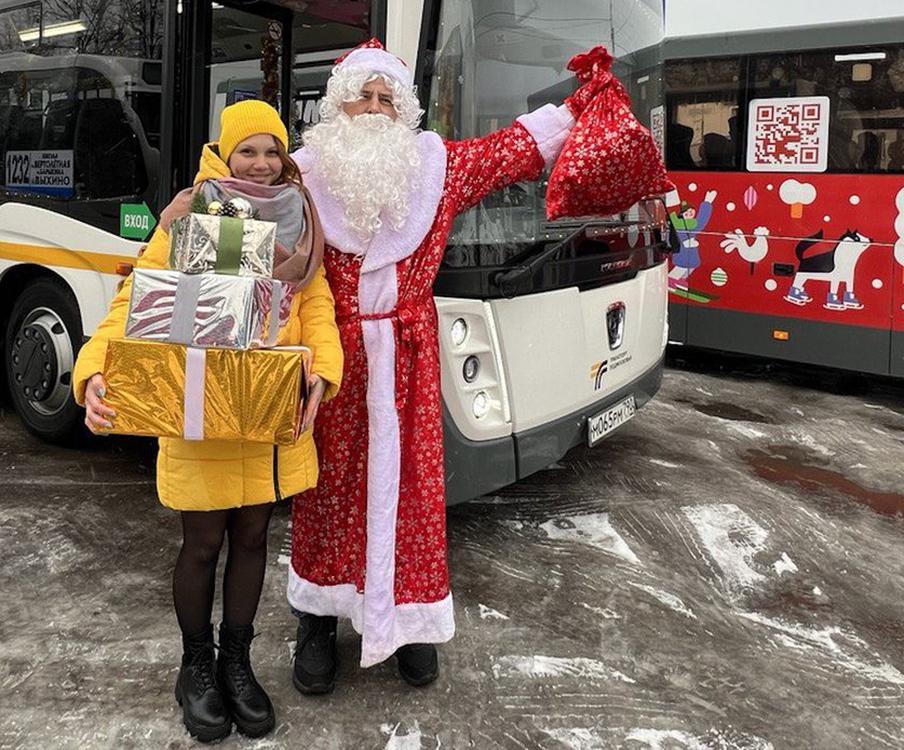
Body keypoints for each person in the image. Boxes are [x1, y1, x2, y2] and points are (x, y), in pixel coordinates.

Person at [288, 38, 599, 692]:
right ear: (338, 105)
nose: (375, 108)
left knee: (414, 493)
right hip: (333, 360)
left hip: (408, 362)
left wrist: (579, 107)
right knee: (326, 487)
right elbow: (238, 196)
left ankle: (412, 623)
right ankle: (317, 617)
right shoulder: (303, 175)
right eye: (363, 96)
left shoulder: (435, 166)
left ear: (404, 112)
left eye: (387, 98)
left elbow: (511, 150)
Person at [73, 101, 343, 743]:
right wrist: (94, 369)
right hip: (200, 406)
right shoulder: (197, 213)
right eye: (247, 150)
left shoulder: (302, 218)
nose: (262, 163)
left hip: (270, 409)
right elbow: (136, 297)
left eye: (272, 151)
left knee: (252, 538)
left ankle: (236, 663)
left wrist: (323, 371)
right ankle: (196, 666)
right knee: (201, 544)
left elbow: (317, 306)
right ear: (224, 154)